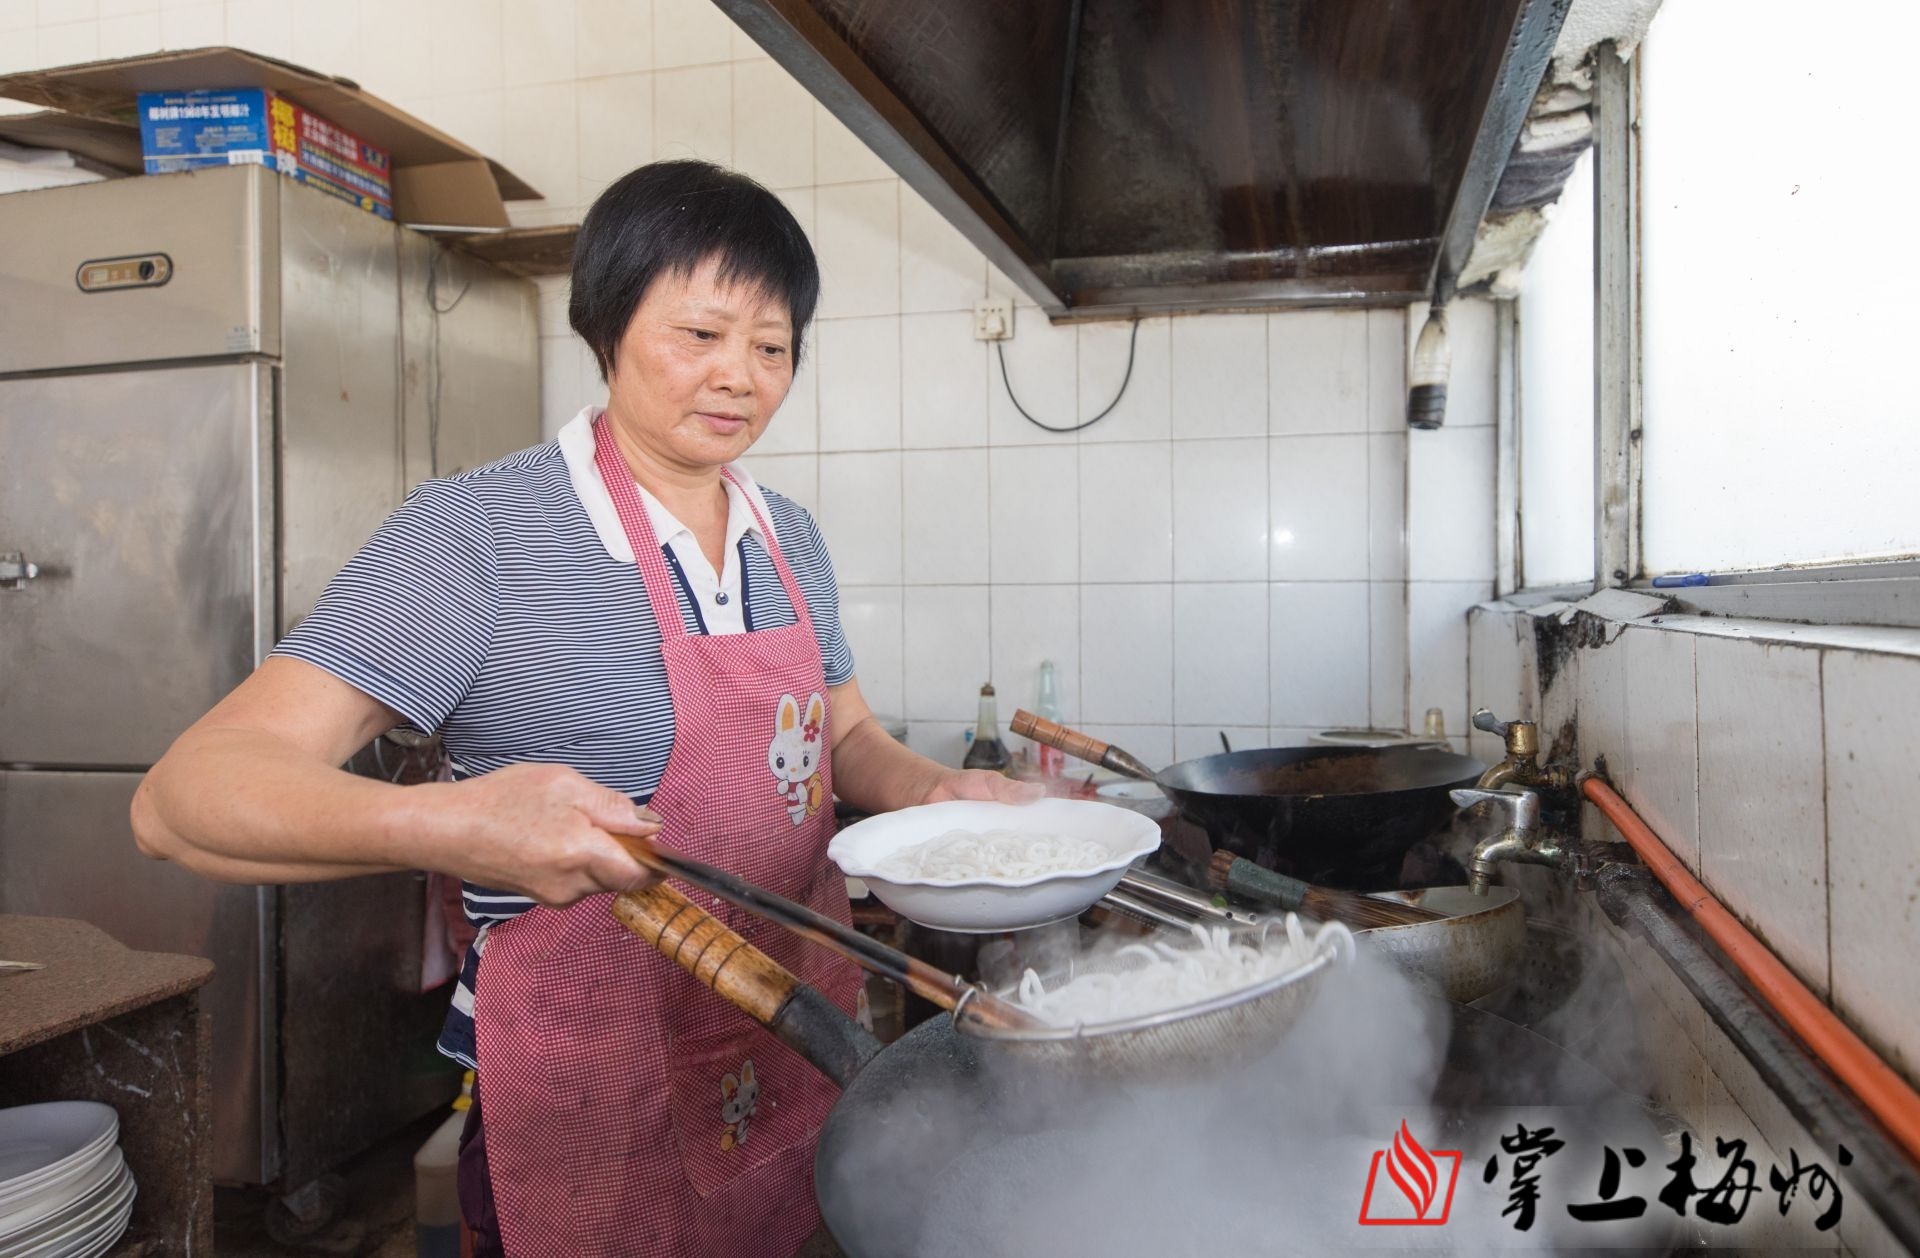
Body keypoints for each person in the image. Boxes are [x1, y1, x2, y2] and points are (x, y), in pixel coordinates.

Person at [131, 159, 1036, 1257]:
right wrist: (459, 824)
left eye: (771, 346)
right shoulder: (478, 535)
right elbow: (184, 798)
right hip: (587, 1083)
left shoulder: (787, 534)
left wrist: (942, 794)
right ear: (607, 325)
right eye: (699, 334)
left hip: (783, 1046)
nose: (738, 377)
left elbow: (842, 737)